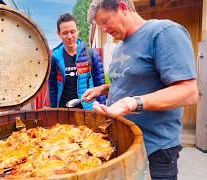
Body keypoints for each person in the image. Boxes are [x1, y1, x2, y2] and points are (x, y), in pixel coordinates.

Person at [84, 0, 198, 179]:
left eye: (105, 21)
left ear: (122, 8)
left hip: (156, 149)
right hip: (125, 143)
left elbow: (188, 92)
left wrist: (132, 103)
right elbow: (129, 81)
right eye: (100, 25)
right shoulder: (120, 45)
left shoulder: (163, 32)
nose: (104, 29)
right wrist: (104, 89)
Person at [48, 13, 106, 110]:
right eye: (65, 33)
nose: (69, 36)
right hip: (64, 109)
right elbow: (52, 86)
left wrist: (102, 109)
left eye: (72, 31)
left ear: (77, 31)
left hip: (87, 108)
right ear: (58, 34)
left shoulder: (91, 54)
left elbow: (100, 84)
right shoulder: (55, 58)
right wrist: (54, 109)